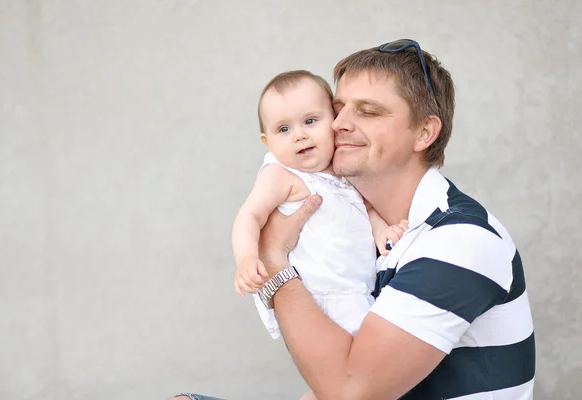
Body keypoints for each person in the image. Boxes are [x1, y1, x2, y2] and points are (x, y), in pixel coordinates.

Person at [171, 39, 535, 400]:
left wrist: (273, 258)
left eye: (368, 111)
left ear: (424, 132)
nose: (339, 123)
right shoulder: (364, 227)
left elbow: (349, 392)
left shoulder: (459, 240)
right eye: (338, 107)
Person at [231, 69, 407, 400]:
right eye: (283, 129)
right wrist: (246, 258)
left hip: (355, 291)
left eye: (310, 121)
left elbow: (366, 212)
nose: (299, 135)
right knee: (366, 376)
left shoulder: (340, 173)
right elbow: (249, 215)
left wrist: (386, 234)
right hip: (322, 294)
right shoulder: (283, 175)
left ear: (334, 120)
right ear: (267, 142)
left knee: (351, 378)